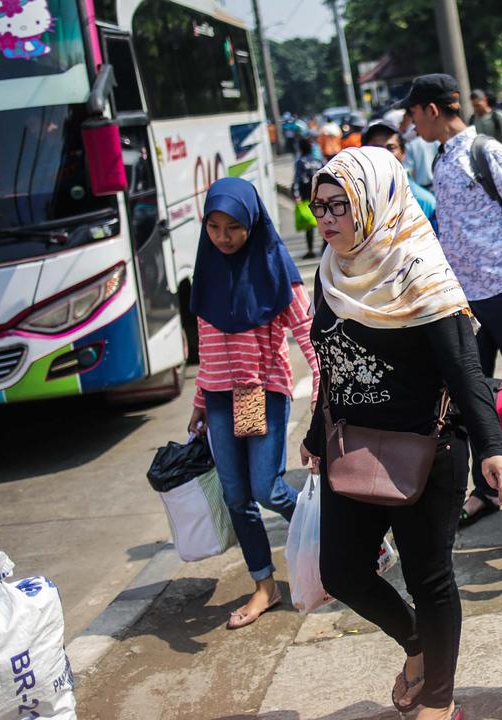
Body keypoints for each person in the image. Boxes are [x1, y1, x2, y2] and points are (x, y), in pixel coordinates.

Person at [302, 147, 502, 720]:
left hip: (429, 449)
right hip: (351, 447)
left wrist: (494, 448)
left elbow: (465, 370)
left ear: (374, 203)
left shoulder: (420, 274)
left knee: (430, 578)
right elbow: (332, 362)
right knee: (341, 572)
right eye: (317, 206)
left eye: (338, 206)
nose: (325, 219)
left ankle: (441, 701)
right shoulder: (330, 274)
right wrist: (311, 432)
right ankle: (417, 646)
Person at [185, 177, 321, 630]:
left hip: (260, 389)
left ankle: (338, 532)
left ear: (252, 223)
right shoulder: (205, 268)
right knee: (236, 496)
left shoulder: (272, 264)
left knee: (267, 489)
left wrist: (322, 388)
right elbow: (205, 342)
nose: (223, 237)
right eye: (214, 226)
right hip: (220, 396)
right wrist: (201, 398)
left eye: (234, 228)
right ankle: (265, 585)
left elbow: (308, 333)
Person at [400, 73, 502, 526]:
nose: (412, 124)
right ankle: (487, 489)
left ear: (432, 110)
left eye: (414, 113)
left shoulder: (486, 151)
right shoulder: (441, 158)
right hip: (463, 298)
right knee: (469, 394)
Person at [362, 120, 439, 234]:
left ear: (403, 152)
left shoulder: (425, 202)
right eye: (376, 148)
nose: (384, 154)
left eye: (391, 147)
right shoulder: (357, 200)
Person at [291, 137, 325, 258]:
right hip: (321, 196)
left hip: (307, 197)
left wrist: (296, 195)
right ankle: (325, 245)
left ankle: (310, 250)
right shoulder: (318, 161)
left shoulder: (300, 162)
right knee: (324, 220)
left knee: (309, 225)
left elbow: (296, 180)